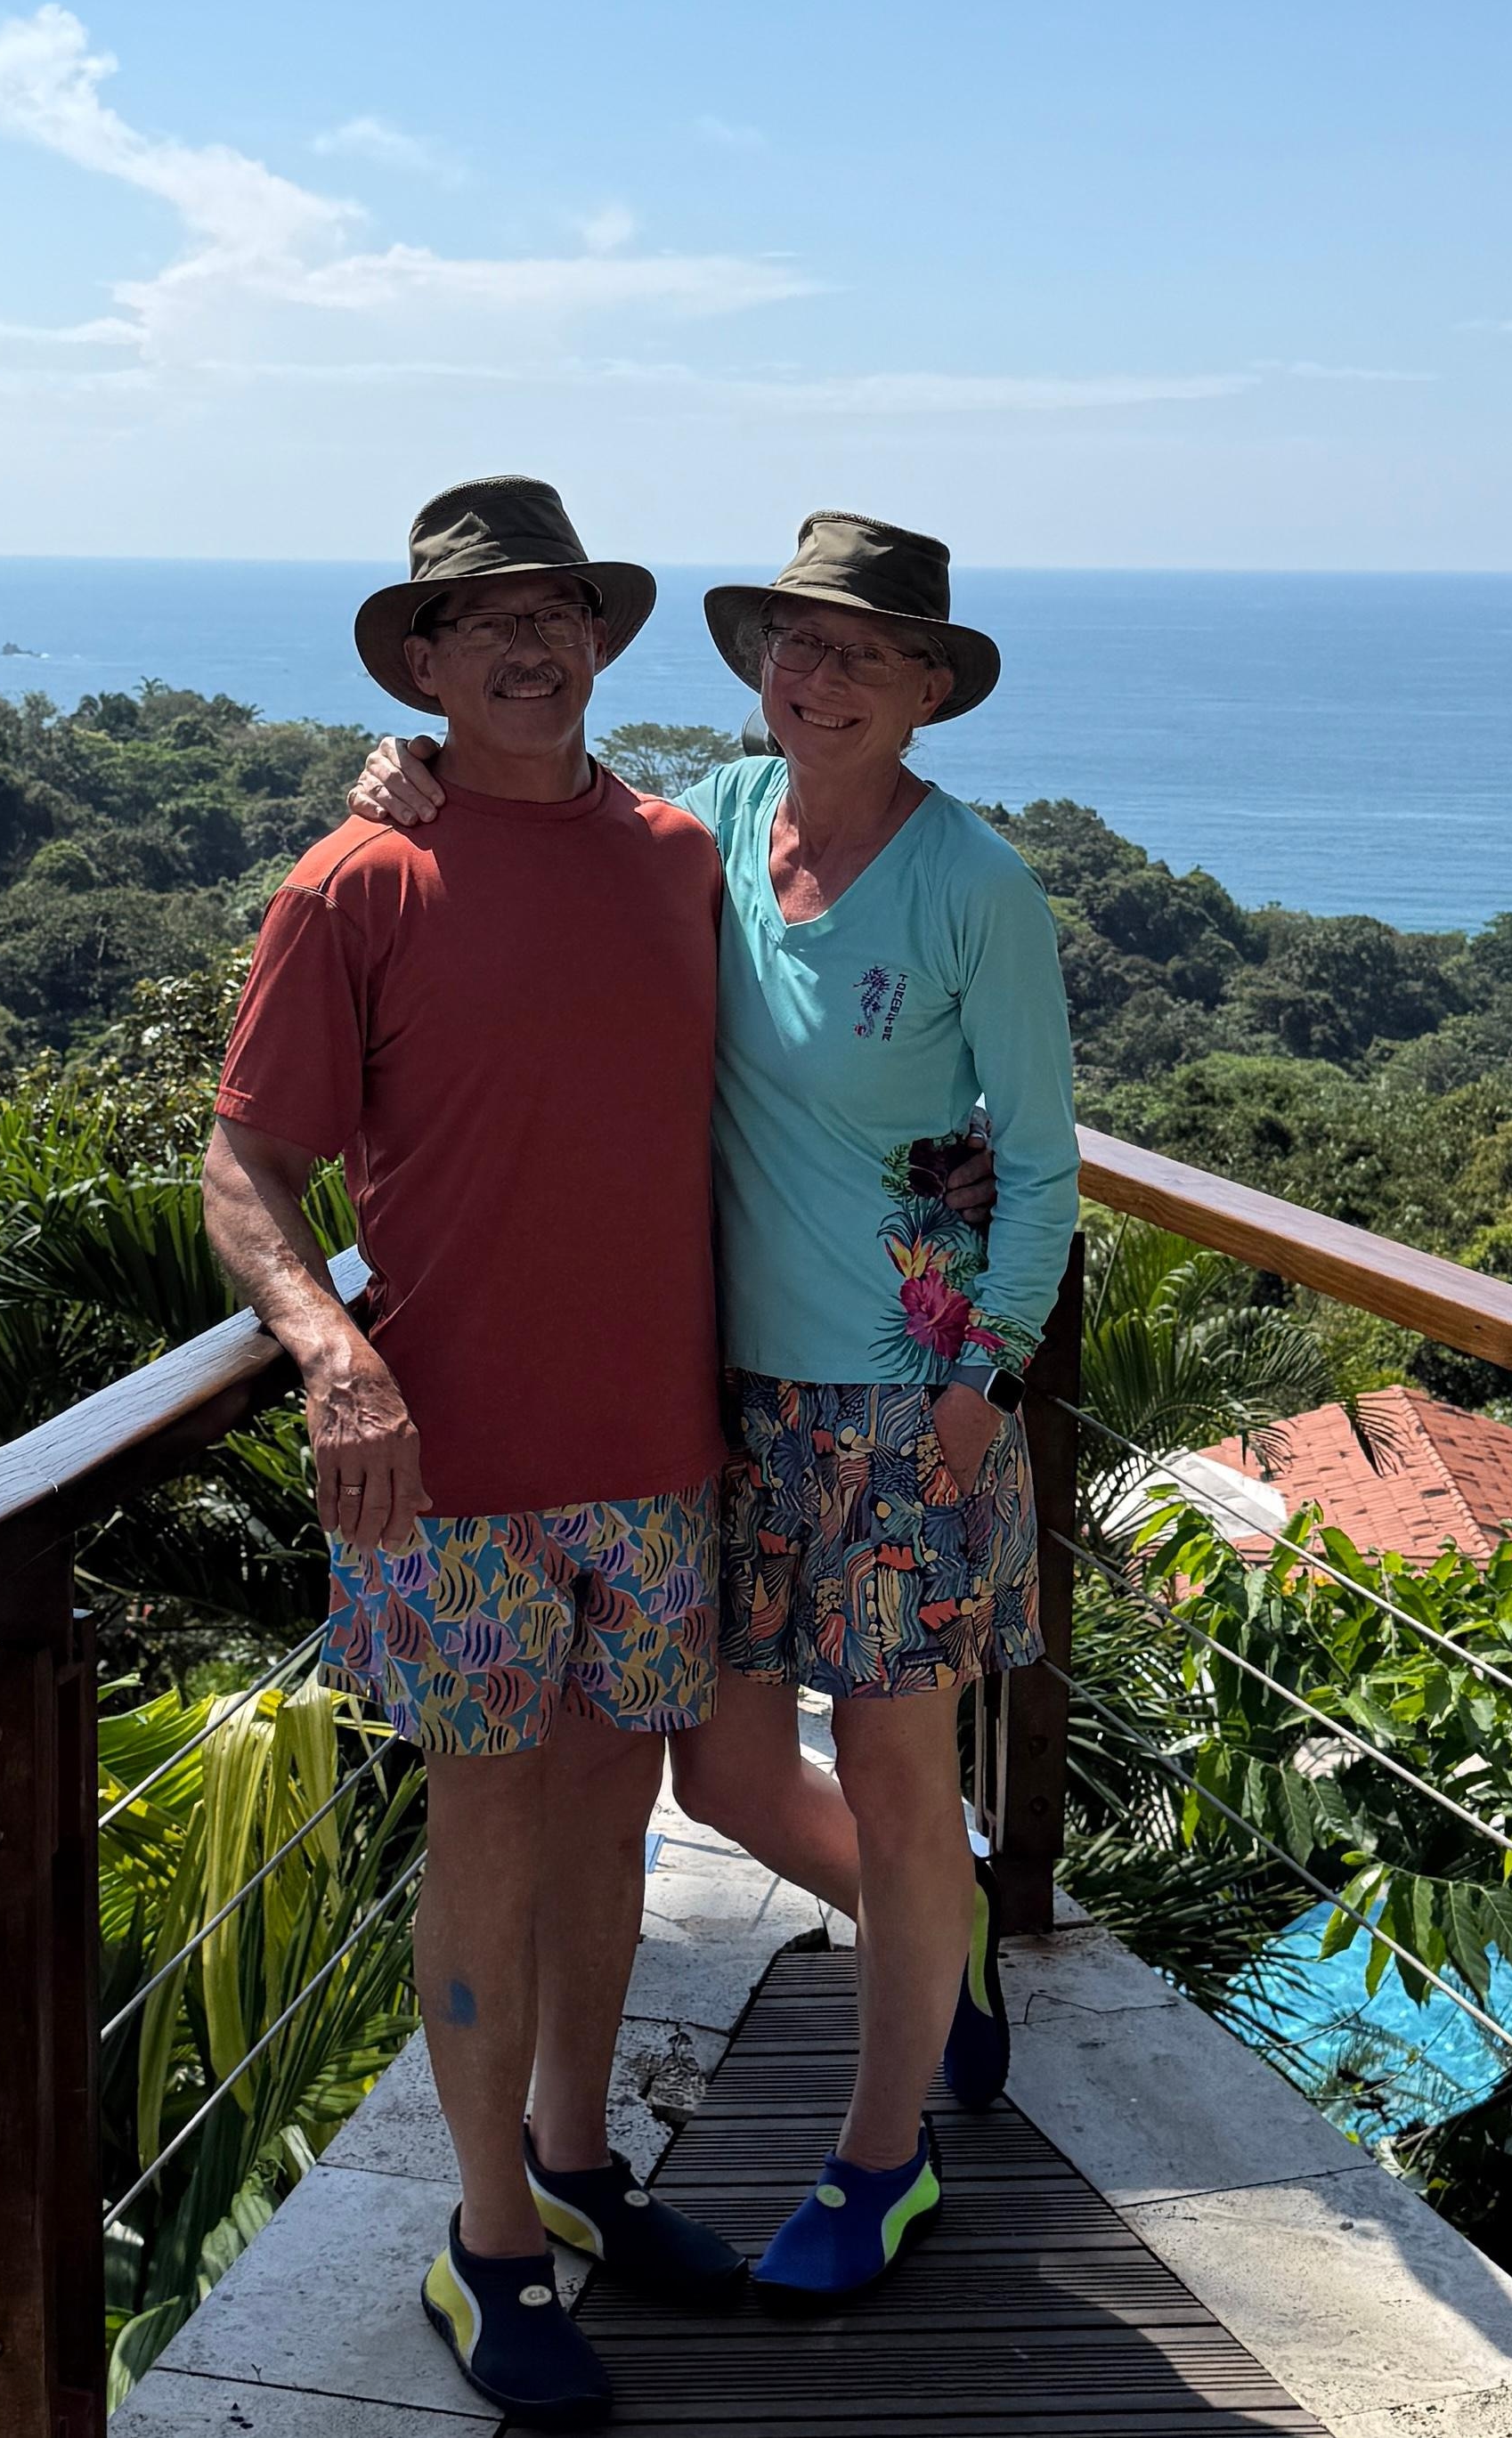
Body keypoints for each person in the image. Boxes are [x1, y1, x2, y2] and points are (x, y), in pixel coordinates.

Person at [354, 510, 1078, 2303]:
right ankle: (941, 1931)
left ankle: (880, 2159)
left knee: (898, 1776)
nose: (817, 677)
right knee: (730, 1769)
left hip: (906, 1395)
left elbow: (1046, 1164)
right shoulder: (720, 827)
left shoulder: (973, 884)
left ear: (928, 688)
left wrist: (981, 1376)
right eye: (794, 642)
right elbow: (553, 841)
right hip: (720, 1391)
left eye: (863, 653)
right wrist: (402, 779)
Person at [203, 477, 746, 2435]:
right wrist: (330, 1347)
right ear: (423, 666)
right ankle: (490, 2240)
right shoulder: (356, 881)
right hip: (455, 1467)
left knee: (611, 1818)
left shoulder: (684, 855)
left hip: (658, 1447)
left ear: (600, 642)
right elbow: (244, 1163)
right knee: (489, 1830)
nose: (533, 643)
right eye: (486, 620)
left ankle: (581, 2163)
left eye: (560, 611)